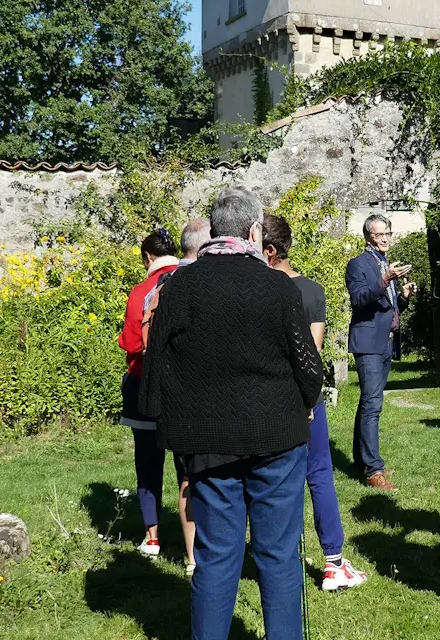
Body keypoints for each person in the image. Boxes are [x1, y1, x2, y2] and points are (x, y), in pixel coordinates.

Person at [140, 189, 325, 640]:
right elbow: (309, 368)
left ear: (213, 231)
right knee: (278, 556)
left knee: (216, 554)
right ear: (254, 231)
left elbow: (154, 368)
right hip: (276, 438)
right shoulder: (278, 287)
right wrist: (304, 405)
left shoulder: (177, 286)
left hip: (206, 443)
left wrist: (166, 424)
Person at [262, 214, 368, 591]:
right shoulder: (312, 291)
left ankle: (280, 556)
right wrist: (308, 398)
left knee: (275, 481)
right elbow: (313, 353)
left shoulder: (257, 290)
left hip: (266, 400)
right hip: (304, 399)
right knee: (319, 474)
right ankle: (333, 561)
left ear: (269, 251)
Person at [116, 230, 195, 571]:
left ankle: (152, 536)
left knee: (148, 462)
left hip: (145, 384)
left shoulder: (140, 292)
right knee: (187, 466)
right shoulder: (190, 280)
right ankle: (193, 538)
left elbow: (132, 343)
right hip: (183, 387)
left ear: (147, 257)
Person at [345, 214, 414, 491]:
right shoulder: (358, 265)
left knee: (368, 403)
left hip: (385, 342)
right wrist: (385, 278)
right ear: (367, 237)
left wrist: (404, 297)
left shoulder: (385, 263)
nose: (384, 238)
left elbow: (387, 309)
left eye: (388, 233)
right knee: (372, 405)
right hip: (368, 344)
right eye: (378, 235)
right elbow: (360, 300)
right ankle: (373, 470)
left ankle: (361, 459)